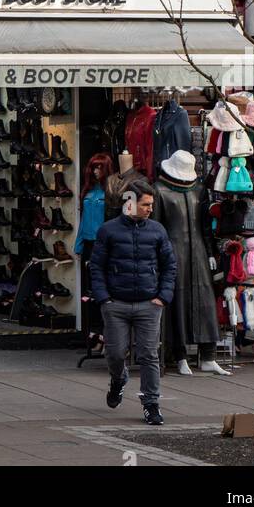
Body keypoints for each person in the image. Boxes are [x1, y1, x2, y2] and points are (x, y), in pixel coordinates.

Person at [89, 176, 176, 425]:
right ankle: (118, 379)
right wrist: (104, 298)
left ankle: (151, 404)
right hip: (116, 303)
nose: (150, 209)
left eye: (151, 205)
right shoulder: (108, 230)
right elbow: (97, 266)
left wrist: (163, 297)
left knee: (149, 354)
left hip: (149, 303)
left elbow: (169, 265)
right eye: (146, 204)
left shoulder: (157, 230)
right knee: (115, 353)